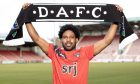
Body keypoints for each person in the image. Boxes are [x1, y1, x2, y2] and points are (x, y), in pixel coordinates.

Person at [23, 3, 123, 84]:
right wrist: (26, 18)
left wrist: (116, 20)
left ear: (76, 40)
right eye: (65, 37)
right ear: (61, 40)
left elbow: (107, 41)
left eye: (71, 37)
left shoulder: (85, 52)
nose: (68, 40)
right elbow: (36, 38)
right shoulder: (54, 52)